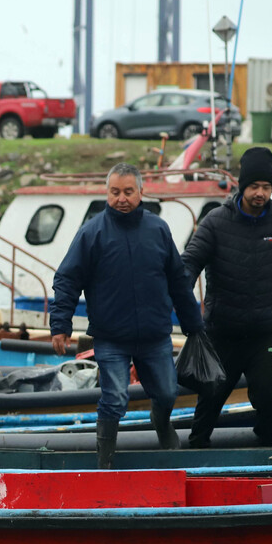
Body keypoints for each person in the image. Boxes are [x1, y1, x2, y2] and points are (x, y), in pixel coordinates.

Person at [50, 163, 204, 467]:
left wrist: (193, 325)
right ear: (107, 193)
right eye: (115, 192)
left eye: (128, 192)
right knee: (115, 399)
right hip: (111, 337)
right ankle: (104, 461)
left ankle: (161, 422)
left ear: (141, 192)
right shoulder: (91, 232)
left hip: (155, 334)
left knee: (167, 392)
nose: (121, 198)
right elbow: (67, 279)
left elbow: (178, 280)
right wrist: (60, 324)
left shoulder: (158, 229)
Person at [180, 146, 272, 448]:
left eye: (266, 187)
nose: (260, 193)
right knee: (212, 394)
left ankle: (268, 448)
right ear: (242, 187)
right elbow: (190, 262)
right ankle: (196, 448)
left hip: (263, 332)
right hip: (222, 330)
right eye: (254, 186)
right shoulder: (216, 221)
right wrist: (180, 297)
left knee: (266, 394)